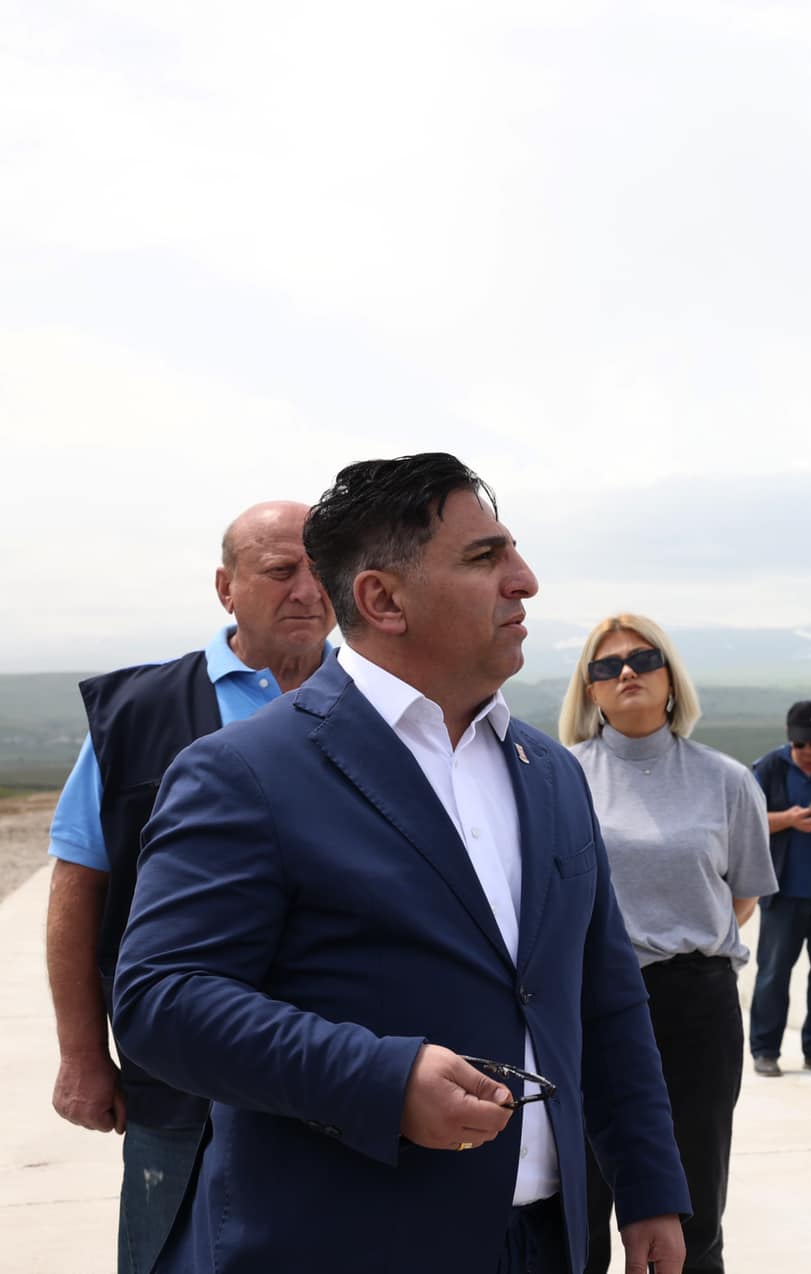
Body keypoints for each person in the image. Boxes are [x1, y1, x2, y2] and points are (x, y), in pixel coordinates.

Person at [113, 454, 688, 1273]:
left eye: (513, 552)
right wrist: (382, 1079)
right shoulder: (246, 770)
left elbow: (605, 999)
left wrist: (650, 1186)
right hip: (343, 1244)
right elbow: (161, 1000)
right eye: (485, 557)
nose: (524, 580)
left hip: (546, 1243)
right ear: (383, 600)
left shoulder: (552, 774)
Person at [43, 499, 333, 1274]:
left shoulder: (383, 705)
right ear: (225, 587)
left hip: (342, 1074)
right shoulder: (138, 713)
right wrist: (81, 1053)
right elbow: (80, 882)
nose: (308, 590)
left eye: (321, 569)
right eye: (281, 570)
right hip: (176, 1083)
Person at [559, 613, 776, 1273]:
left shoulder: (727, 780)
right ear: (590, 690)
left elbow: (741, 896)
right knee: (580, 1198)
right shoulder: (560, 778)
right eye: (607, 665)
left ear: (671, 677)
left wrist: (676, 936)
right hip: (588, 1003)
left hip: (695, 1005)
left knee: (693, 1199)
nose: (627, 672)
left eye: (643, 659)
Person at [747, 699, 811, 1077]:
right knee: (773, 974)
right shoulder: (769, 768)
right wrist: (788, 819)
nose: (807, 752)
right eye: (799, 744)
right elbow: (748, 820)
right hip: (782, 895)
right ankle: (765, 1050)